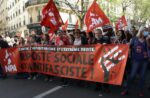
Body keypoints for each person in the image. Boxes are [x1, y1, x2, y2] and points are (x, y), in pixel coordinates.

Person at [121, 27, 149, 97]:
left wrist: (148, 40)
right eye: (145, 31)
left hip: (145, 61)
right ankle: (126, 89)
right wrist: (130, 55)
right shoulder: (134, 39)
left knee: (142, 77)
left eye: (147, 31)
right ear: (141, 31)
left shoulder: (147, 39)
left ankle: (140, 91)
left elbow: (149, 47)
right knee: (132, 76)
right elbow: (128, 47)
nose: (147, 32)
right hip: (135, 60)